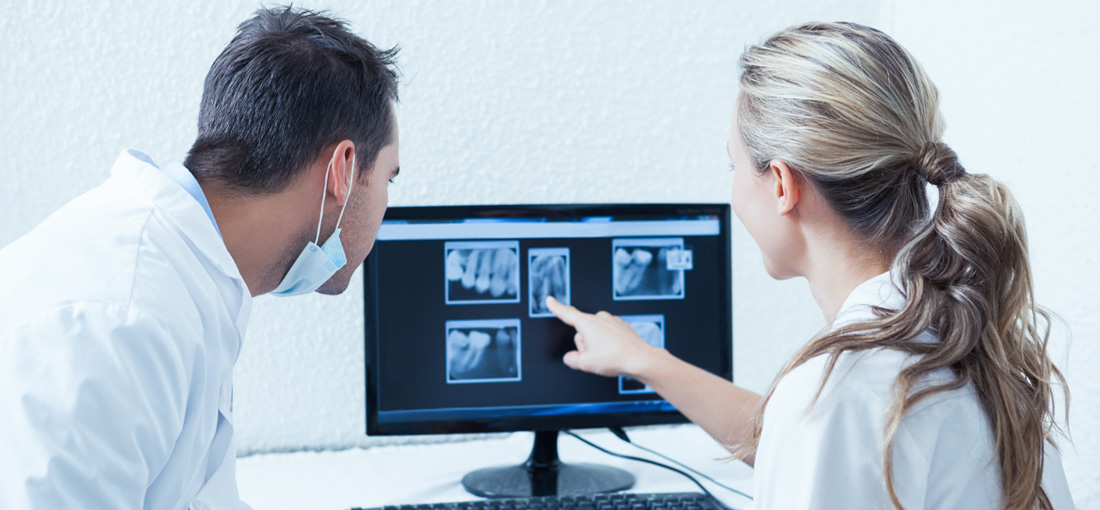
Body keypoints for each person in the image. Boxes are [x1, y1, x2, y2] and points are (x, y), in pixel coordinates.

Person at [545, 22, 1073, 509]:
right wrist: (644, 360)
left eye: (734, 165)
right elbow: (801, 435)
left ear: (781, 184)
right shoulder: (963, 333)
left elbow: (821, 425)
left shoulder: (837, 392)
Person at [0, 7, 399, 509]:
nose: (387, 204)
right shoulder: (120, 320)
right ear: (343, 168)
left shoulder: (194, 277)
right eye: (389, 178)